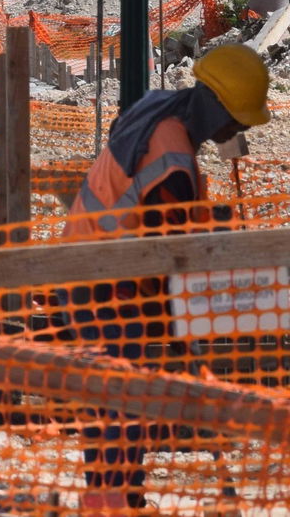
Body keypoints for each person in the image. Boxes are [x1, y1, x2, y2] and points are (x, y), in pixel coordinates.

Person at [62, 42, 270, 514]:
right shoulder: (173, 164)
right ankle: (113, 502)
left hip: (93, 263)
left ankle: (120, 496)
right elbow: (165, 258)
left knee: (117, 394)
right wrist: (180, 323)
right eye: (235, 118)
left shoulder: (159, 105)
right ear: (212, 103)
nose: (236, 128)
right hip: (106, 280)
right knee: (119, 397)